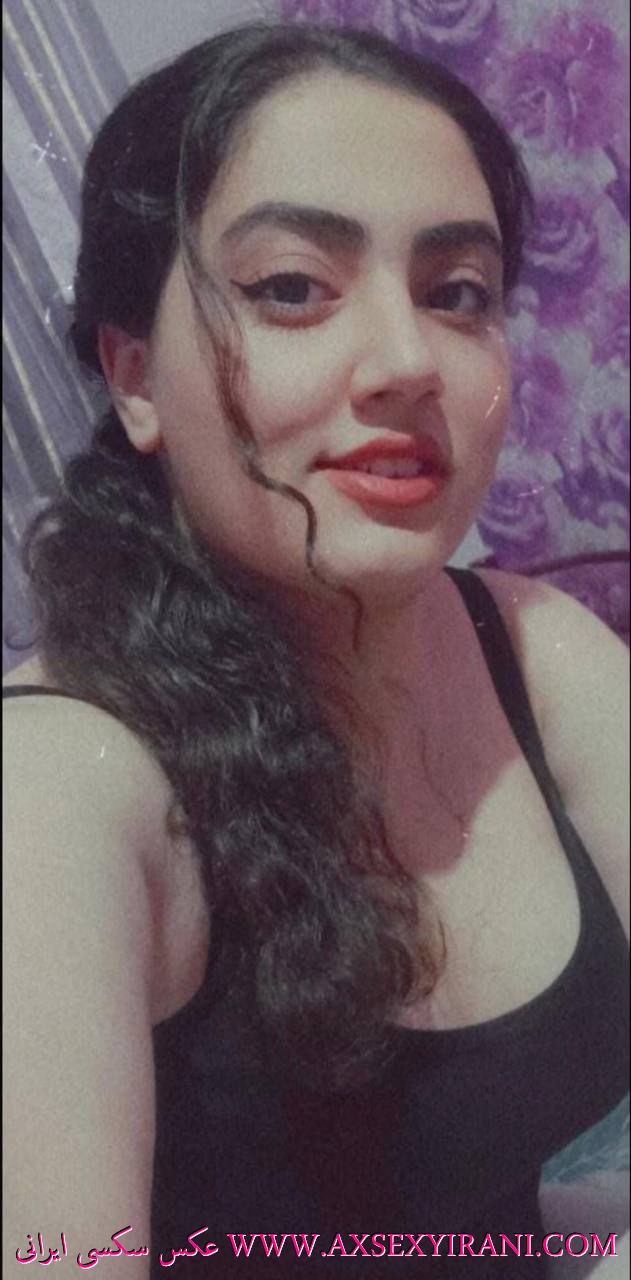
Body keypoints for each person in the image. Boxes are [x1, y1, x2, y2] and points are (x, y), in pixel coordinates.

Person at [4, 20, 628, 1279]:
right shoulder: (58, 787)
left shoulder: (540, 649)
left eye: (456, 293)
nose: (407, 361)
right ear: (134, 376)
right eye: (292, 287)